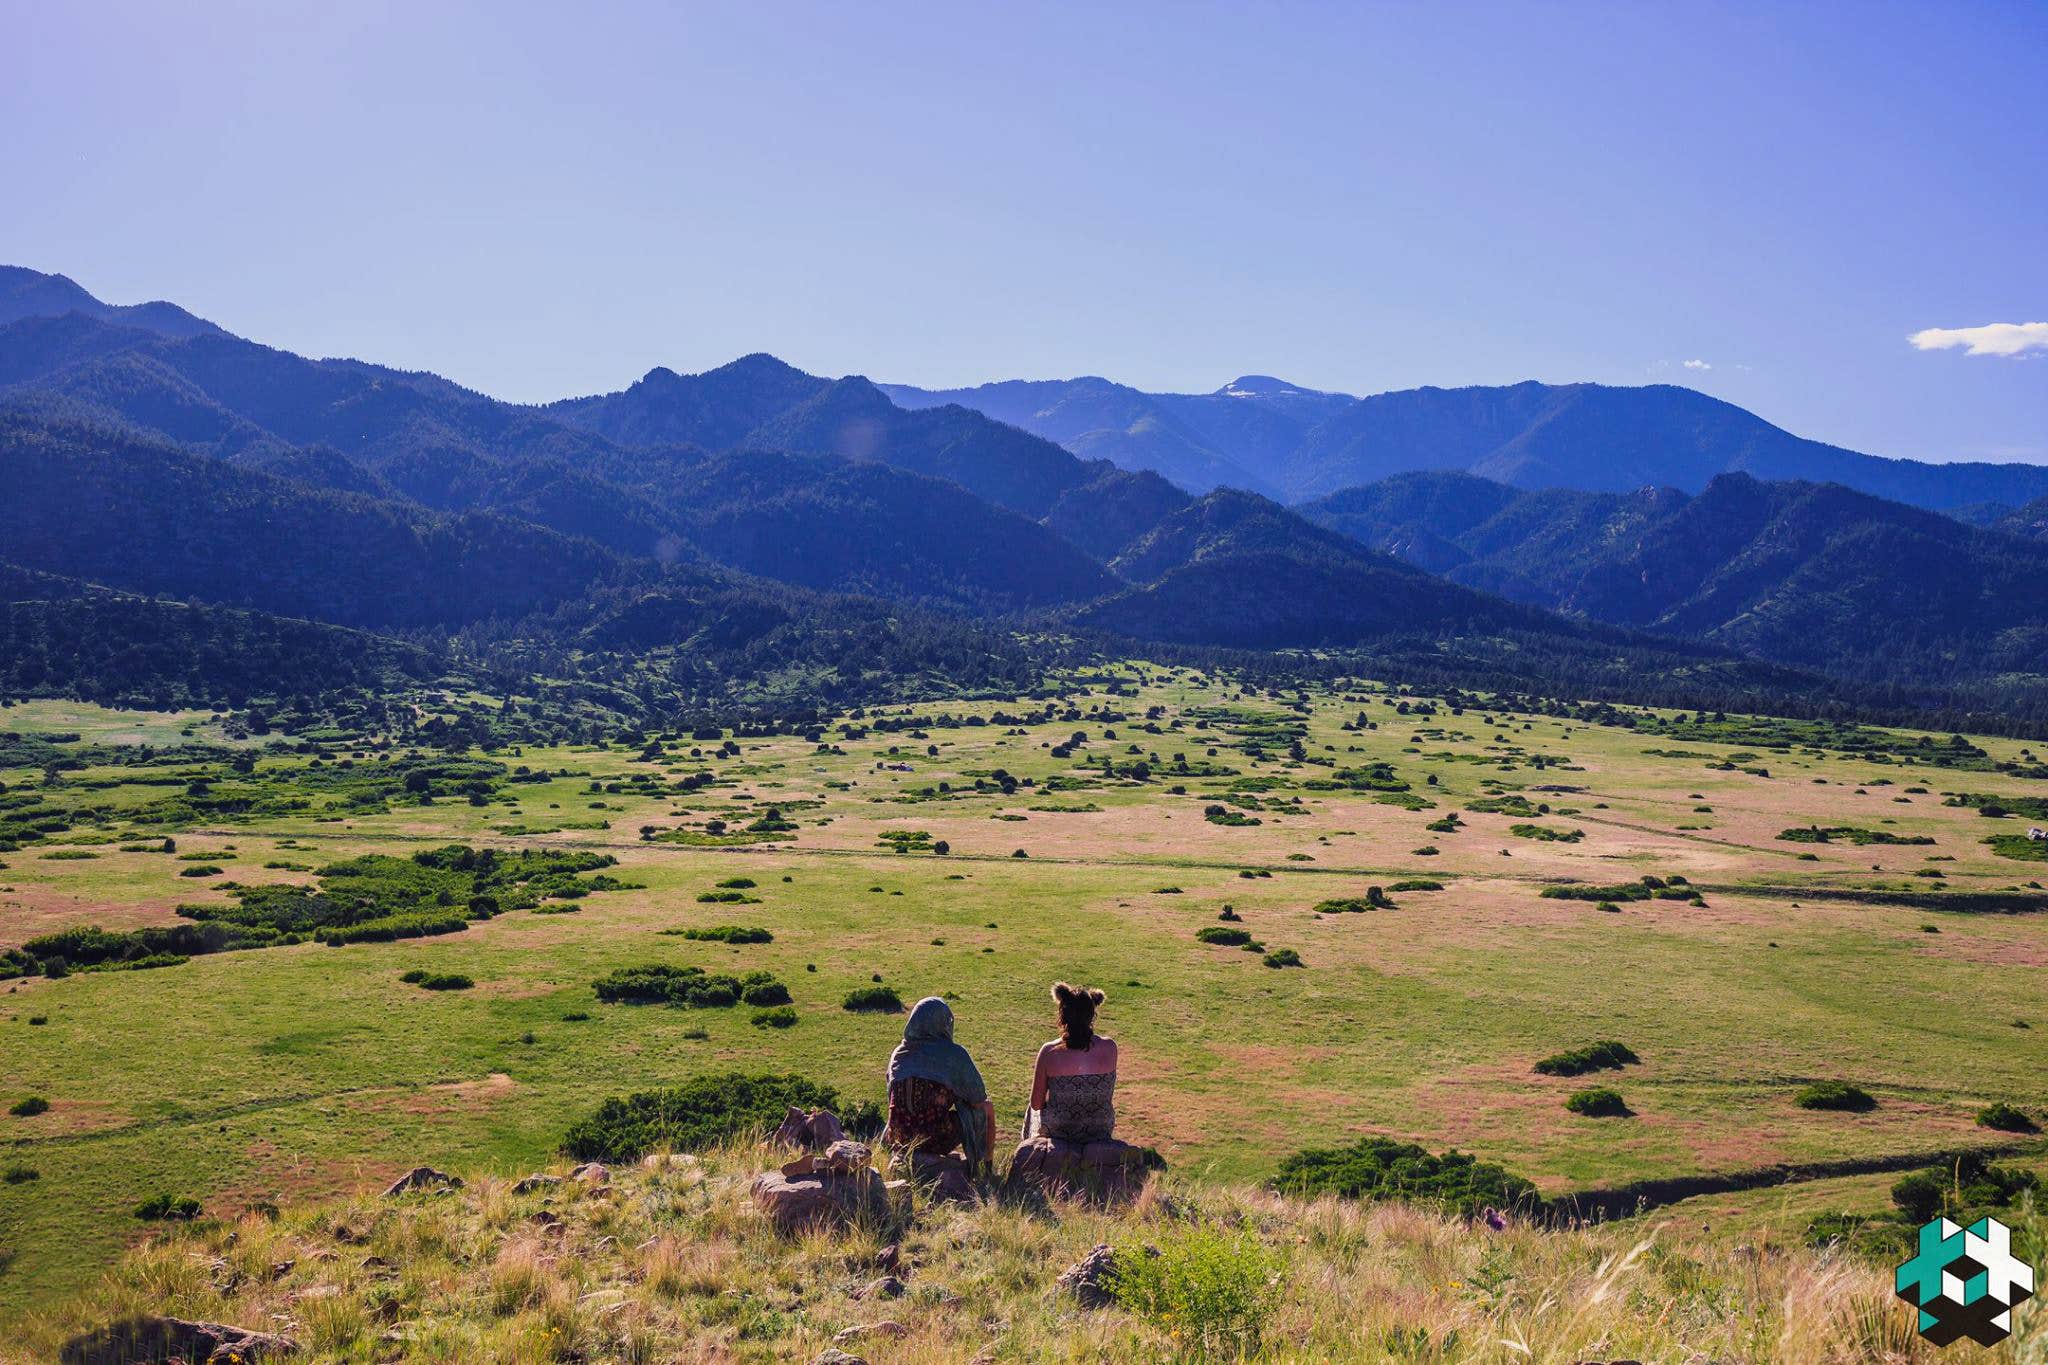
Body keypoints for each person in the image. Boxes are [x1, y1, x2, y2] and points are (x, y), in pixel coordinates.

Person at [884, 996, 995, 1171]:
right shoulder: (953, 1054)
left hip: (899, 1138)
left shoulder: (899, 1053)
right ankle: (984, 1169)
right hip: (934, 1140)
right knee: (986, 1109)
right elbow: (978, 1099)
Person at [1023, 982, 1116, 1143]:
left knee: (1031, 1111)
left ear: (1063, 1015)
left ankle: (1032, 1148)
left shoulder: (1049, 1052)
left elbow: (1036, 1104)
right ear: (1092, 1014)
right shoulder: (1110, 1047)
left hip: (1059, 1131)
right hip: (1099, 1129)